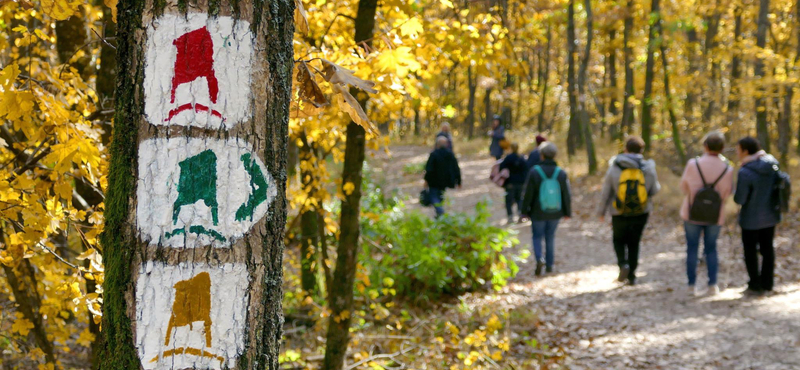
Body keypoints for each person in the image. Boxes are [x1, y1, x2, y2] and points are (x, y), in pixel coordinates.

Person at [597, 136, 661, 285]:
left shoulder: (615, 166)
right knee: (634, 243)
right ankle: (632, 275)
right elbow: (655, 189)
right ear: (641, 150)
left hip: (619, 212)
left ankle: (623, 264)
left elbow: (606, 191)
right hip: (641, 212)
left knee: (618, 240)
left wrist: (601, 212)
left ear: (626, 149)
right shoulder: (648, 168)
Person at [679, 132, 734, 296]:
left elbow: (683, 188)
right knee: (711, 249)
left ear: (705, 146)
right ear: (722, 148)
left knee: (692, 248)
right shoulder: (728, 169)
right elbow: (726, 194)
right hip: (715, 215)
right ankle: (712, 285)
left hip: (691, 213)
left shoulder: (692, 164)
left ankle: (691, 285)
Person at [734, 136, 782, 295]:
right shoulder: (772, 165)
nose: (736, 152)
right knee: (768, 249)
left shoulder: (745, 171)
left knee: (750, 251)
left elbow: (740, 198)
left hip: (750, 219)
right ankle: (768, 283)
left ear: (745, 151)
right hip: (770, 215)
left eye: (738, 149)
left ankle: (755, 284)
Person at [521, 142, 571, 275]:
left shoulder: (534, 172)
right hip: (555, 211)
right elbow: (566, 194)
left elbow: (528, 194)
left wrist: (524, 211)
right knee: (550, 237)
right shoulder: (560, 173)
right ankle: (549, 265)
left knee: (537, 236)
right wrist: (567, 212)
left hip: (538, 212)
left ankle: (539, 258)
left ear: (541, 155)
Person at [424, 136, 462, 217]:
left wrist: (426, 180)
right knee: (440, 195)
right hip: (445, 181)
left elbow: (429, 169)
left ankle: (440, 211)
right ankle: (439, 214)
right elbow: (456, 168)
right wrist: (458, 181)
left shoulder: (434, 154)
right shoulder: (450, 154)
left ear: (437, 144)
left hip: (434, 181)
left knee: (434, 196)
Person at [499, 143, 528, 224]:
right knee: (519, 199)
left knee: (508, 200)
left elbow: (501, 167)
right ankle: (520, 214)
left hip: (510, 182)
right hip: (520, 183)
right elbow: (526, 170)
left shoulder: (508, 158)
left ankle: (510, 216)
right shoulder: (522, 158)